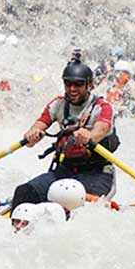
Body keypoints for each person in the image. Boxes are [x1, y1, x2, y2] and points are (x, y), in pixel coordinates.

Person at [11, 60, 118, 208]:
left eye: (78, 84)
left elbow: (101, 130)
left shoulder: (102, 107)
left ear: (89, 85)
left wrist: (89, 137)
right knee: (24, 192)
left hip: (96, 173)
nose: (72, 89)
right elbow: (34, 132)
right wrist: (32, 134)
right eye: (68, 84)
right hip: (64, 171)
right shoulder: (58, 104)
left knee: (72, 201)